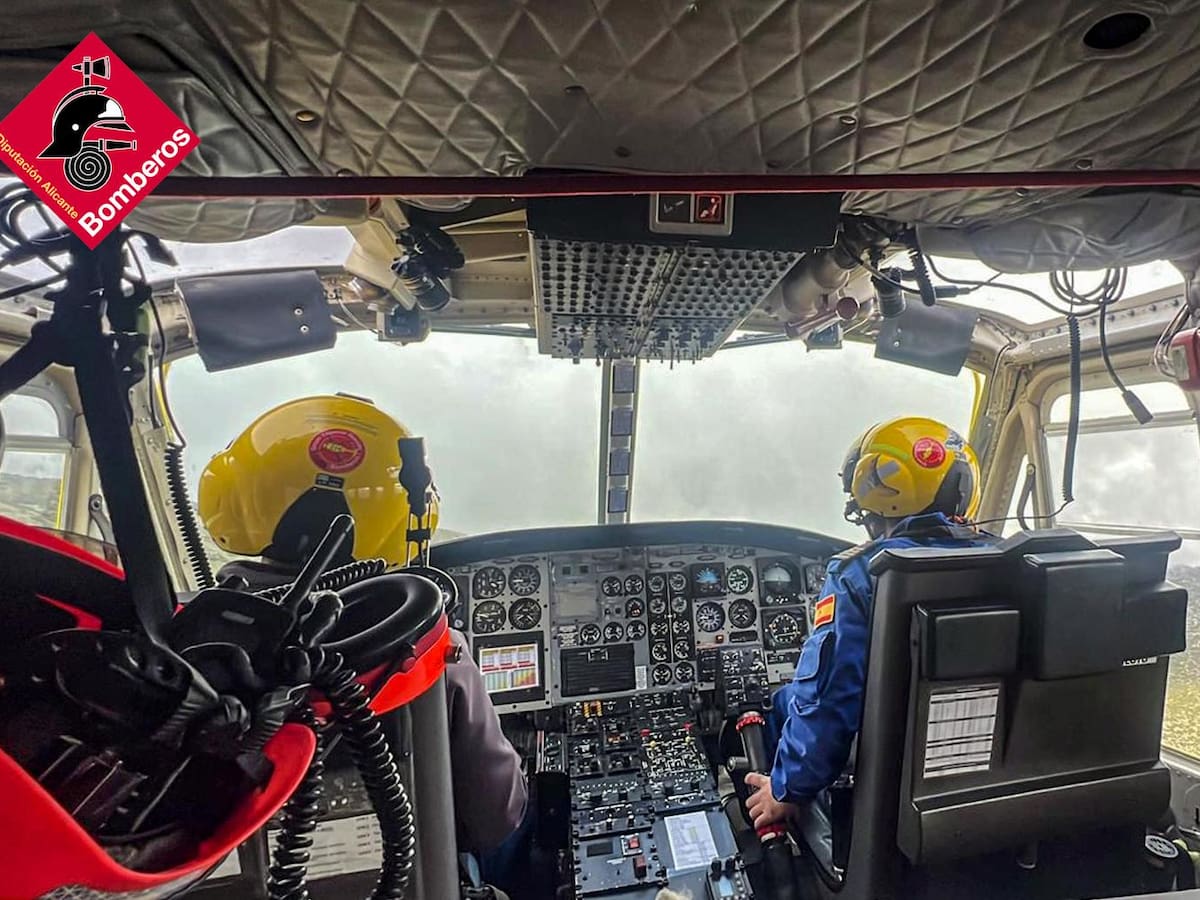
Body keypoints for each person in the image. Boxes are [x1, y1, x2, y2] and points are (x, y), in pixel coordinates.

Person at [197, 394, 529, 882]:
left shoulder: (177, 644)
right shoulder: (430, 648)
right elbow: (498, 818)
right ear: (408, 513)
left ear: (232, 490)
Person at [745, 416, 993, 830]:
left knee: (786, 702)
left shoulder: (861, 574)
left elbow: (827, 699)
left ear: (879, 489)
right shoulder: (1013, 559)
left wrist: (788, 788)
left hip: (891, 787)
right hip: (986, 769)